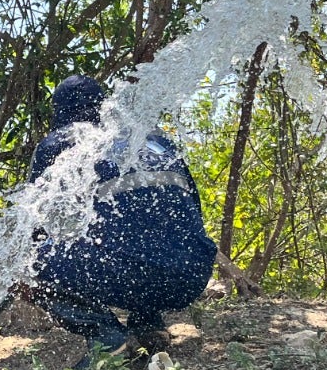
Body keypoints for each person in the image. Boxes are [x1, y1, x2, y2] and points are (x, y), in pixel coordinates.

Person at [28, 75, 216, 351]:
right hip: (192, 274)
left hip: (132, 273)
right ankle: (147, 325)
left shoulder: (59, 143)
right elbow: (192, 210)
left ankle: (107, 338)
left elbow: (34, 225)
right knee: (138, 236)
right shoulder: (154, 137)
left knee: (28, 264)